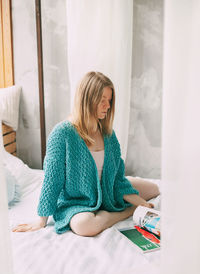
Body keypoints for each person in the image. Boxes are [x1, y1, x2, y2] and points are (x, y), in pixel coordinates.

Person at [13, 71, 160, 236]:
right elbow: (52, 181)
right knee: (85, 226)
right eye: (103, 100)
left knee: (154, 189)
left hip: (108, 191)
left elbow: (117, 180)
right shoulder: (62, 133)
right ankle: (126, 212)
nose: (108, 106)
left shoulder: (108, 134)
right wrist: (41, 220)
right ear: (87, 99)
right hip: (77, 201)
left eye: (109, 100)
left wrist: (143, 204)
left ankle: (126, 204)